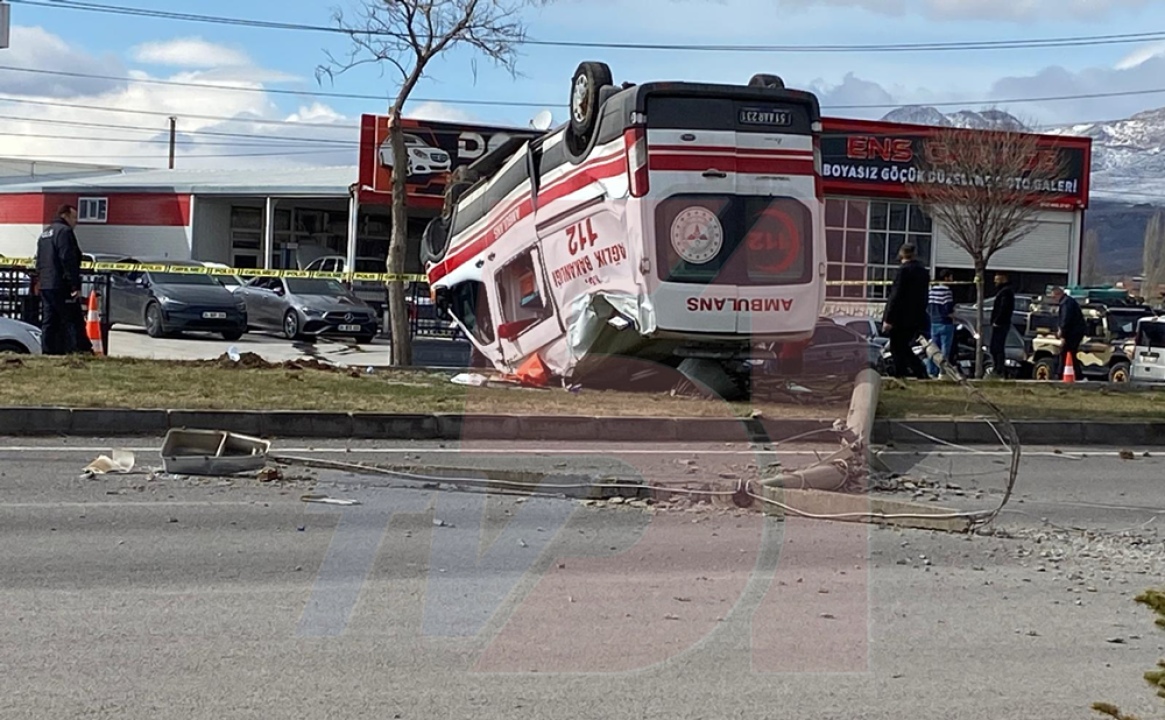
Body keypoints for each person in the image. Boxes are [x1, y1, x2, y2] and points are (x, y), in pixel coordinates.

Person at [35, 204, 83, 356]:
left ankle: (48, 351)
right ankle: (75, 350)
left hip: (46, 284)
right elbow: (68, 258)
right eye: (74, 217)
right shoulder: (64, 232)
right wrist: (75, 285)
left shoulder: (45, 233)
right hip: (60, 284)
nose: (76, 222)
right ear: (65, 216)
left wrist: (39, 280)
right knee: (70, 319)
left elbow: (39, 260)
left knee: (49, 320)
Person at [882, 243, 930, 380]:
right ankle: (915, 371)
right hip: (916, 316)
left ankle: (905, 372)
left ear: (901, 255)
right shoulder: (922, 271)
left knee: (897, 347)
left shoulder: (903, 271)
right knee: (903, 346)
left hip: (899, 317)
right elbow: (924, 296)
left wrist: (888, 318)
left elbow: (896, 296)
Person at [1050, 286, 1086, 380]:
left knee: (1065, 352)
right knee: (1071, 353)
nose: (1053, 300)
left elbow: (1066, 319)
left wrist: (1062, 333)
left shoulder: (1066, 303)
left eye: (1054, 297)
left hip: (1073, 333)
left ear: (1059, 294)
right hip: (1076, 332)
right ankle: (1078, 375)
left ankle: (1060, 374)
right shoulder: (1069, 301)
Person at [925, 269, 956, 378]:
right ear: (947, 278)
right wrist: (953, 314)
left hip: (934, 322)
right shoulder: (947, 291)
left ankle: (930, 371)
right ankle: (942, 372)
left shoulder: (932, 291)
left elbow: (928, 307)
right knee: (945, 350)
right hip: (946, 323)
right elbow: (948, 308)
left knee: (933, 349)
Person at [989, 272, 1016, 378]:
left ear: (1003, 279)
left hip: (1001, 324)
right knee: (995, 347)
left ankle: (999, 369)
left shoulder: (1005, 292)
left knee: (997, 347)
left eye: (997, 279)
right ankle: (998, 367)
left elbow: (1004, 308)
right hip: (1000, 323)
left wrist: (997, 321)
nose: (995, 281)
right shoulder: (1004, 291)